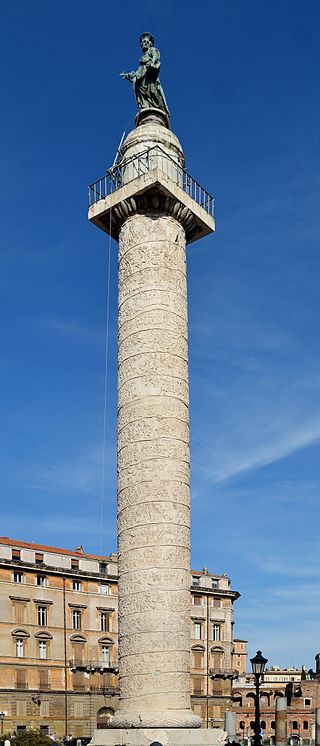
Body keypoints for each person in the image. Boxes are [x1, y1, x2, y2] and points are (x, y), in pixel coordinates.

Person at [120, 32, 169, 114]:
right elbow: (137, 73)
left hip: (150, 76)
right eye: (142, 43)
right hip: (142, 79)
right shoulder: (143, 59)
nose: (143, 44)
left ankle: (160, 108)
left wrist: (152, 63)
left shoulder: (152, 50)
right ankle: (146, 106)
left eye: (146, 42)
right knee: (139, 87)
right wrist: (128, 75)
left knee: (153, 92)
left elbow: (155, 56)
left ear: (150, 43)